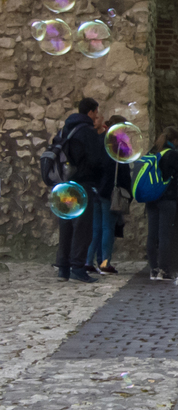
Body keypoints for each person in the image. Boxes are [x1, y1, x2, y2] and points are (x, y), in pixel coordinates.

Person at [54, 97, 110, 283]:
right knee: (83, 228)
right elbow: (94, 160)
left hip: (65, 184)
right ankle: (78, 267)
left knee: (66, 225)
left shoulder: (66, 128)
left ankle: (63, 268)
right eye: (96, 112)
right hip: (83, 184)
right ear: (91, 113)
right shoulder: (87, 132)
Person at [86, 114, 130, 275]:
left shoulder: (101, 139)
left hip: (96, 189)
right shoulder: (118, 145)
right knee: (108, 228)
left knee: (96, 228)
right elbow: (119, 171)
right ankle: (105, 263)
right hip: (110, 190)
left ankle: (87, 261)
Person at [146, 126, 178, 280]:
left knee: (152, 235)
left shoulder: (152, 151)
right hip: (167, 197)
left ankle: (153, 270)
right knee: (164, 235)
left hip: (151, 197)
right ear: (174, 140)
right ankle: (164, 270)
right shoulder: (171, 154)